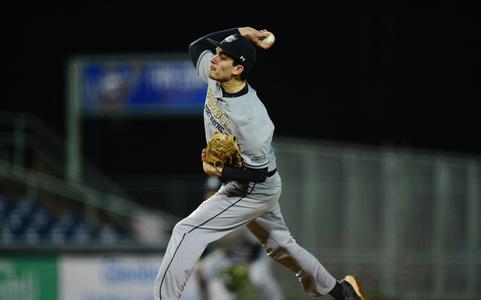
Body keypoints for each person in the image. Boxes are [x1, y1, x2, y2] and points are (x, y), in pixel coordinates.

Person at [153, 26, 366, 300]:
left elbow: (256, 173)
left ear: (238, 69)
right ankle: (343, 292)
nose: (214, 59)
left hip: (253, 188)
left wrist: (217, 170)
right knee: (281, 246)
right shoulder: (217, 76)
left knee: (186, 231)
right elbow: (196, 46)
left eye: (223, 56)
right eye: (216, 53)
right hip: (251, 182)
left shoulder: (252, 119)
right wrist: (242, 32)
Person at [195, 176, 284, 300]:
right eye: (208, 192)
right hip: (229, 255)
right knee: (200, 271)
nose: (210, 196)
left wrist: (245, 265)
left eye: (215, 193)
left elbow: (258, 243)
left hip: (255, 255)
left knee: (259, 278)